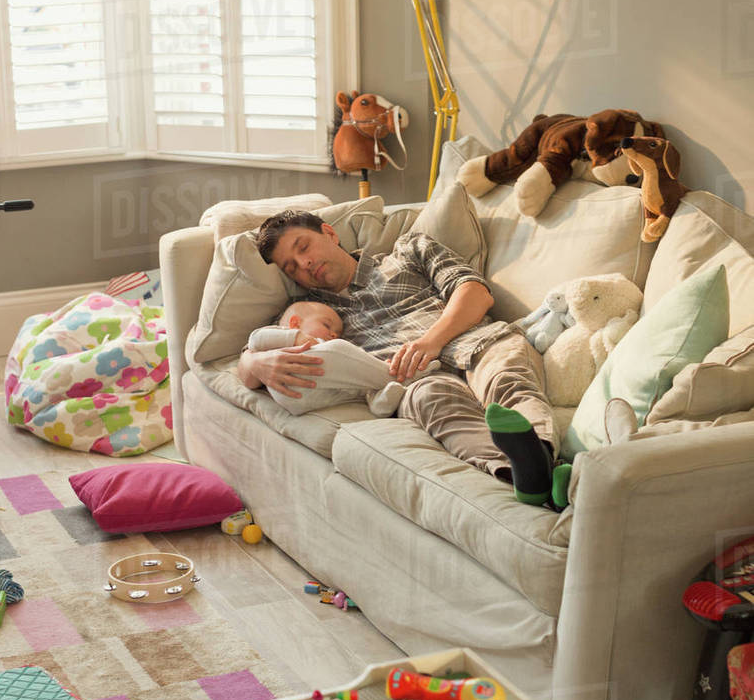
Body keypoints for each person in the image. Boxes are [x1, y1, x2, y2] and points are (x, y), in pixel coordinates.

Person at [237, 210, 566, 508]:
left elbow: (475, 293)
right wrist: (255, 364)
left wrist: (430, 341)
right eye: (290, 267)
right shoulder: (309, 312)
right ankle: (520, 471)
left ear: (329, 233)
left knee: (506, 378)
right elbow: (254, 353)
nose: (303, 264)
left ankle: (539, 460)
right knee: (432, 402)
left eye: (303, 247)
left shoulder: (410, 249)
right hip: (417, 380)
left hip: (479, 343)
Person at [247, 299, 439, 416]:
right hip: (289, 383)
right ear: (295, 322)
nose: (332, 334)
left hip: (306, 400)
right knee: (338, 349)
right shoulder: (282, 336)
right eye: (327, 325)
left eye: (336, 332)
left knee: (353, 388)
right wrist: (298, 337)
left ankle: (378, 402)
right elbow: (255, 339)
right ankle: (401, 374)